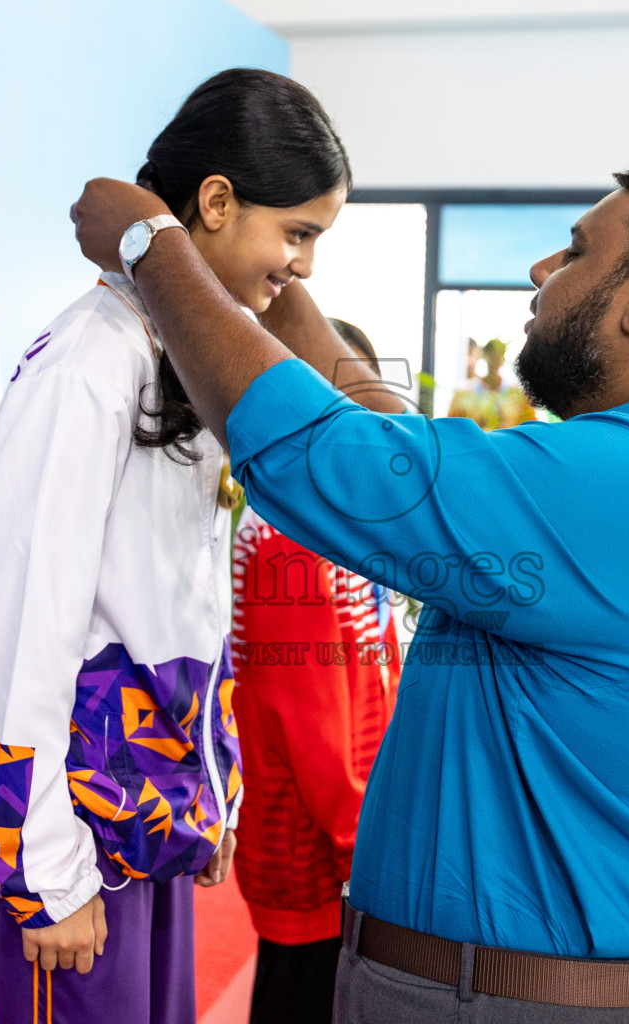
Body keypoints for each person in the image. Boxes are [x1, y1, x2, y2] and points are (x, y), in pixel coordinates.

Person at [72, 161, 629, 1023]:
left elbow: (328, 460)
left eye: (573, 254)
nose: (540, 273)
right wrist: (290, 285)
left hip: (530, 1000)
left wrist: (152, 244)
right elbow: (402, 448)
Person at [0, 69, 361, 1022]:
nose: (303, 266)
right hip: (70, 836)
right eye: (297, 232)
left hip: (149, 817)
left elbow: (183, 610)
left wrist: (207, 787)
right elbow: (13, 625)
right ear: (214, 202)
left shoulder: (190, 361)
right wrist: (37, 858)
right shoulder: (93, 361)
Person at [230, 321, 402, 1024]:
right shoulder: (287, 545)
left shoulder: (337, 527)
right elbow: (313, 732)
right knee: (301, 997)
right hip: (315, 857)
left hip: (345, 840)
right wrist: (366, 857)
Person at [447, 338, 538, 429]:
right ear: (484, 356)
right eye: (491, 355)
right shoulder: (465, 394)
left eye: (497, 356)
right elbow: (451, 427)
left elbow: (531, 427)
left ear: (503, 358)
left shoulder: (517, 396)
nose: (494, 361)